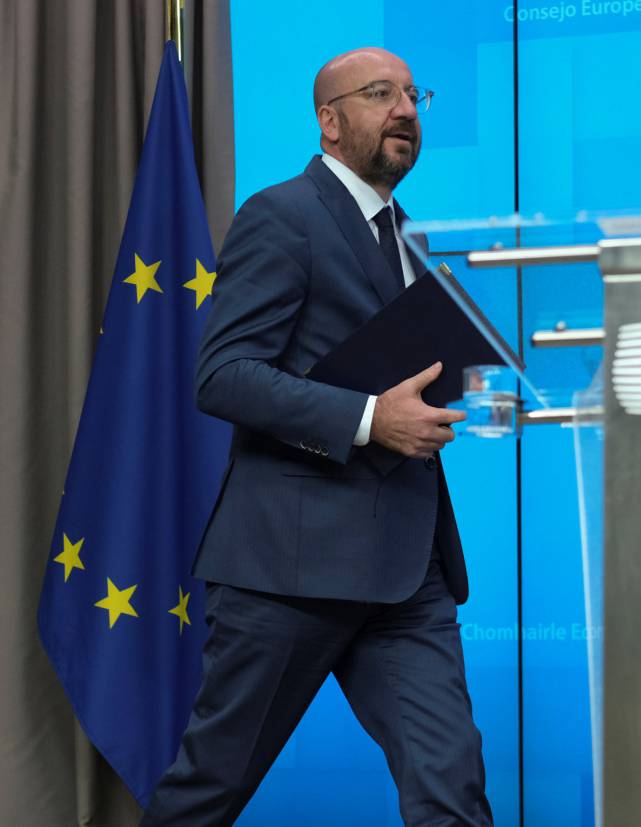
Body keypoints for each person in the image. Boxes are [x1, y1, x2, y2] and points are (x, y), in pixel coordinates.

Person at [141, 47, 492, 826]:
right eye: (380, 95)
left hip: (407, 573)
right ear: (330, 123)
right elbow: (222, 374)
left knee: (452, 793)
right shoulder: (283, 215)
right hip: (289, 570)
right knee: (205, 793)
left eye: (412, 94)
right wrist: (370, 418)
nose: (405, 109)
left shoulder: (408, 236)